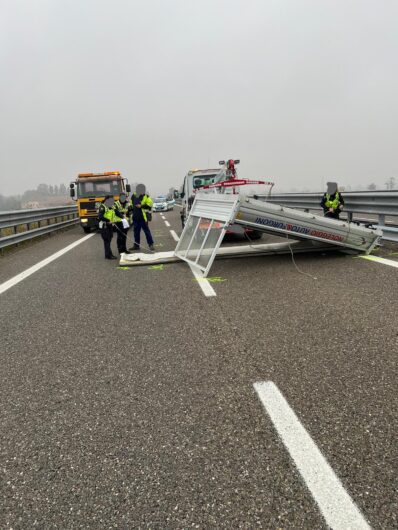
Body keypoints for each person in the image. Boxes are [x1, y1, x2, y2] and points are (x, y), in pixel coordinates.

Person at [129, 184, 155, 251]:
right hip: (135, 218)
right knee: (136, 233)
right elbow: (130, 204)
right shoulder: (133, 196)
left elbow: (150, 204)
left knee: (147, 232)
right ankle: (136, 246)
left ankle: (151, 244)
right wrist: (130, 208)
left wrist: (141, 206)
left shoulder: (146, 196)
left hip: (143, 218)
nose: (143, 191)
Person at [98, 195, 117, 259]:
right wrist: (108, 220)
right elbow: (100, 216)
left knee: (109, 239)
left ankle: (108, 254)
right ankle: (108, 255)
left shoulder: (111, 206)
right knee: (107, 240)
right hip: (105, 226)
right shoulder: (102, 206)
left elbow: (115, 213)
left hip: (110, 225)